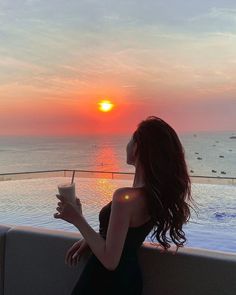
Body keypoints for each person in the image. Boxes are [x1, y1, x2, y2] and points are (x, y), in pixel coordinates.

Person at [54, 116, 196, 294]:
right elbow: (125, 238)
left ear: (138, 148)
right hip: (129, 280)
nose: (127, 145)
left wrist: (78, 219)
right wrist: (93, 238)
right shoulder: (152, 196)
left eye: (131, 139)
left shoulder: (125, 197)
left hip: (104, 282)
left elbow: (110, 260)